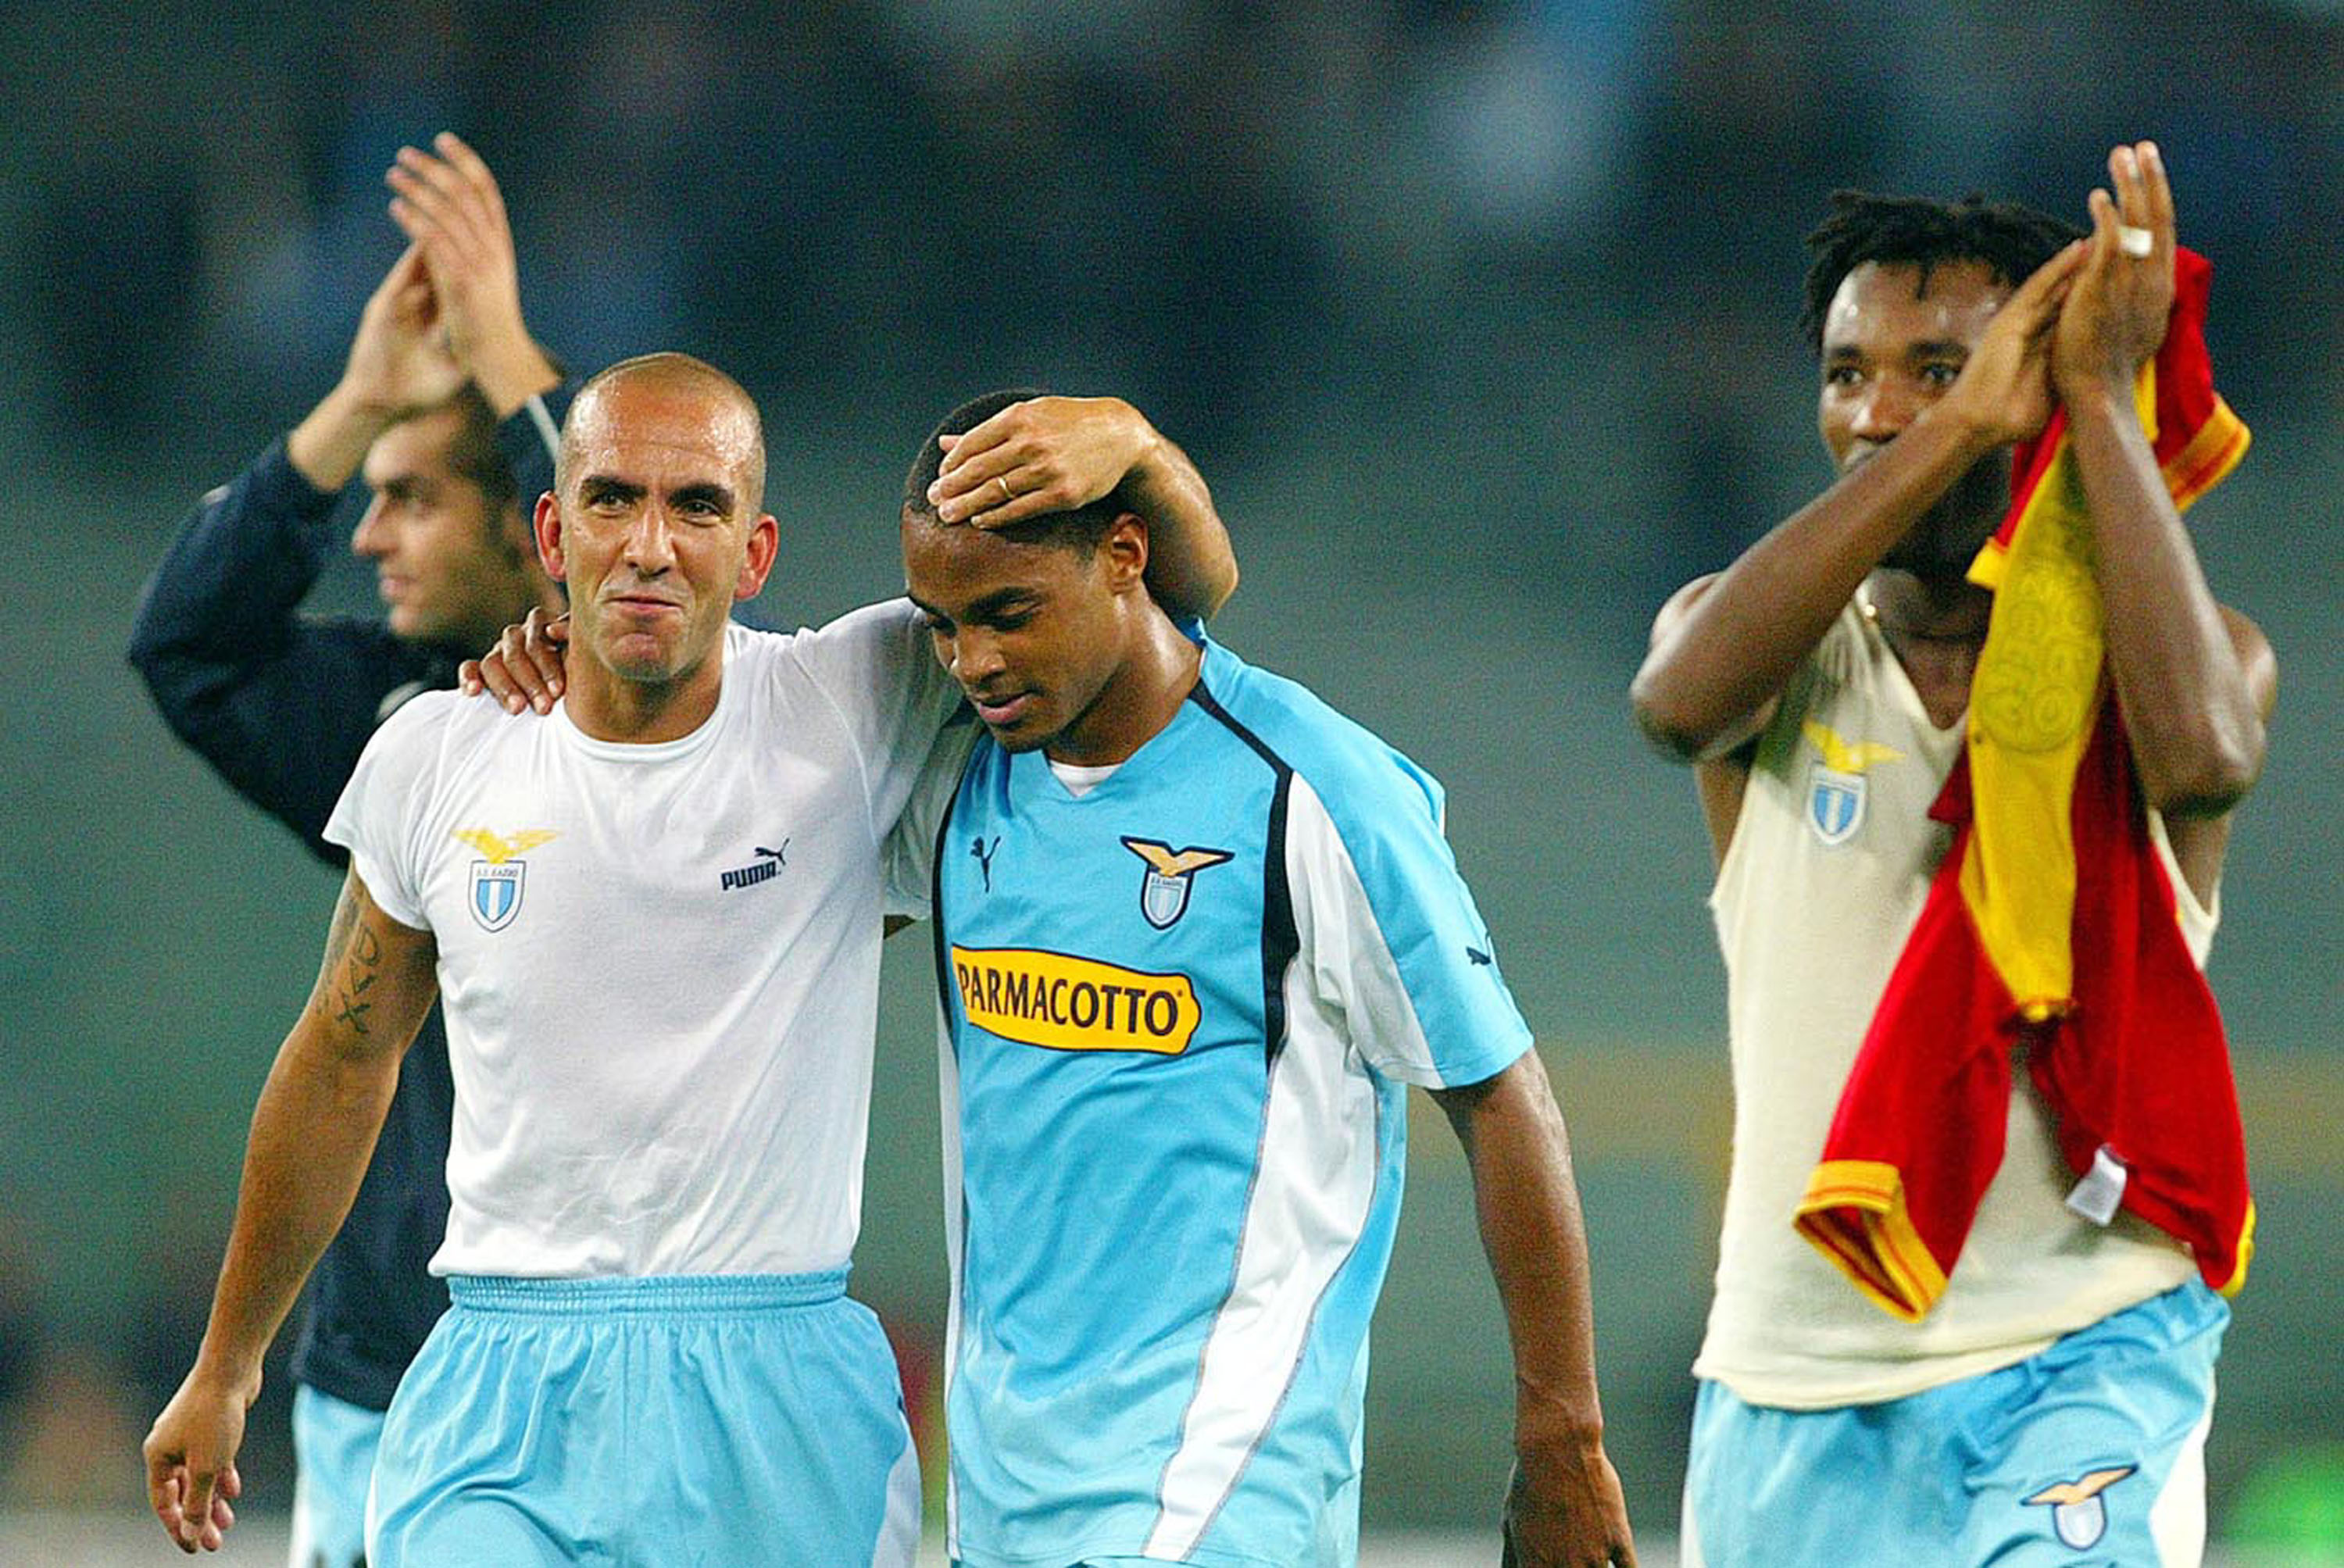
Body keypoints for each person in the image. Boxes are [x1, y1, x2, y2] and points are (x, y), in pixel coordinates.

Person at [141, 355, 1237, 1564]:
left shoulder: (855, 699)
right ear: (552, 533)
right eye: (612, 499)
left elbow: (1173, 610)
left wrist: (1139, 451)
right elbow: (343, 1060)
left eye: (697, 506)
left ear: (755, 554)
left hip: (781, 1401)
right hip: (501, 1397)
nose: (650, 545)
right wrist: (227, 1365)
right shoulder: (437, 755)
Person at [1630, 142, 2274, 1564]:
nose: (1878, 411)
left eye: (1939, 369)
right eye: (1847, 373)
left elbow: (2205, 761)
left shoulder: (2179, 662)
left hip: (2082, 1350)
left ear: (2039, 383)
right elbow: (1675, 709)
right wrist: (1960, 424)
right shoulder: (1758, 651)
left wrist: (2095, 398)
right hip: (1791, 1376)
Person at [892, 388, 1638, 1568]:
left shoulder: (1316, 792)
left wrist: (1565, 1438)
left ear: (1125, 555)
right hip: (1001, 1495)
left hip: (1222, 1485)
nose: (973, 661)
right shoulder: (958, 782)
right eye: (941, 626)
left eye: (1010, 615)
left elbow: (1501, 1097)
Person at [127, 132, 566, 1568]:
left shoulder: (672, 718)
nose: (367, 537)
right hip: (389, 1358)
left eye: (413, 497)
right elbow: (188, 647)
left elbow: (634, 568)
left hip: (605, 1346)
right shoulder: (401, 728)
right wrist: (360, 399)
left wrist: (507, 362)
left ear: (534, 524)